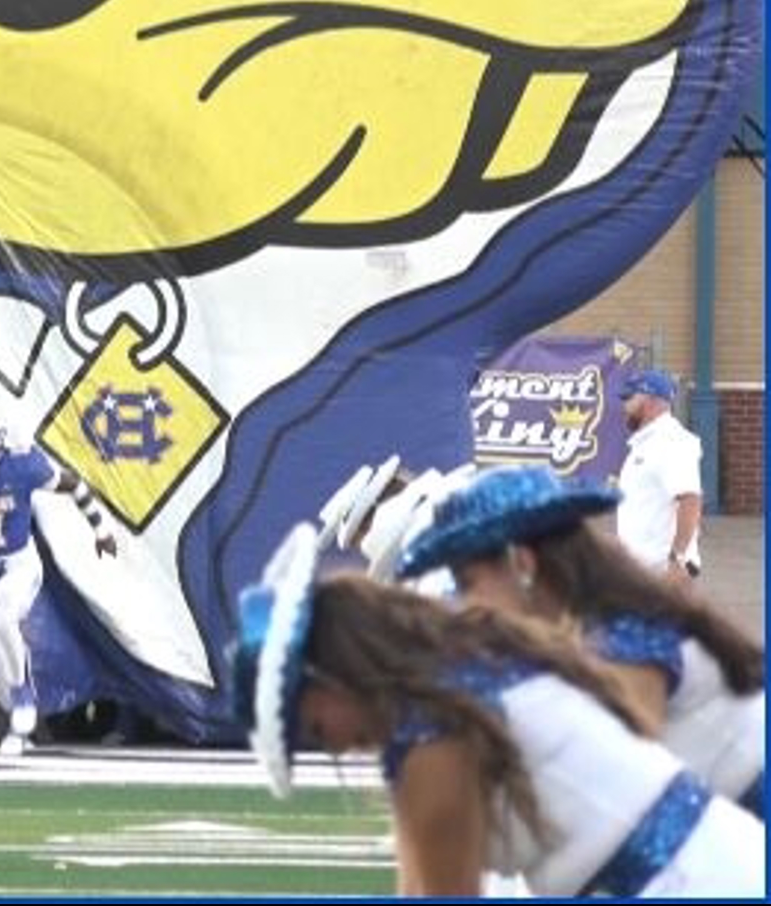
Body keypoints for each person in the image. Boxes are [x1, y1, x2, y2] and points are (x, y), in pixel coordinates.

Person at [233, 523, 764, 897]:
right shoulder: (444, 689)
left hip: (697, 882)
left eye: (317, 729)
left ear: (330, 678)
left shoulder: (434, 729)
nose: (336, 748)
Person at [394, 464, 764, 814]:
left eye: (467, 583)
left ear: (523, 564)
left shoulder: (626, 635)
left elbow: (618, 777)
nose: (466, 604)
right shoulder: (606, 618)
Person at [0, 396, 116, 756]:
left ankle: (25, 696)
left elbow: (74, 484)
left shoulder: (23, 467)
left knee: (1, 621)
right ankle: (14, 710)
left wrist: (101, 529)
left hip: (18, 563)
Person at [615, 368, 703, 579]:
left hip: (661, 575)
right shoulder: (647, 443)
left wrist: (677, 560)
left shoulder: (671, 442)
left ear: (651, 401)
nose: (624, 407)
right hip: (640, 572)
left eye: (629, 398)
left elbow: (690, 500)